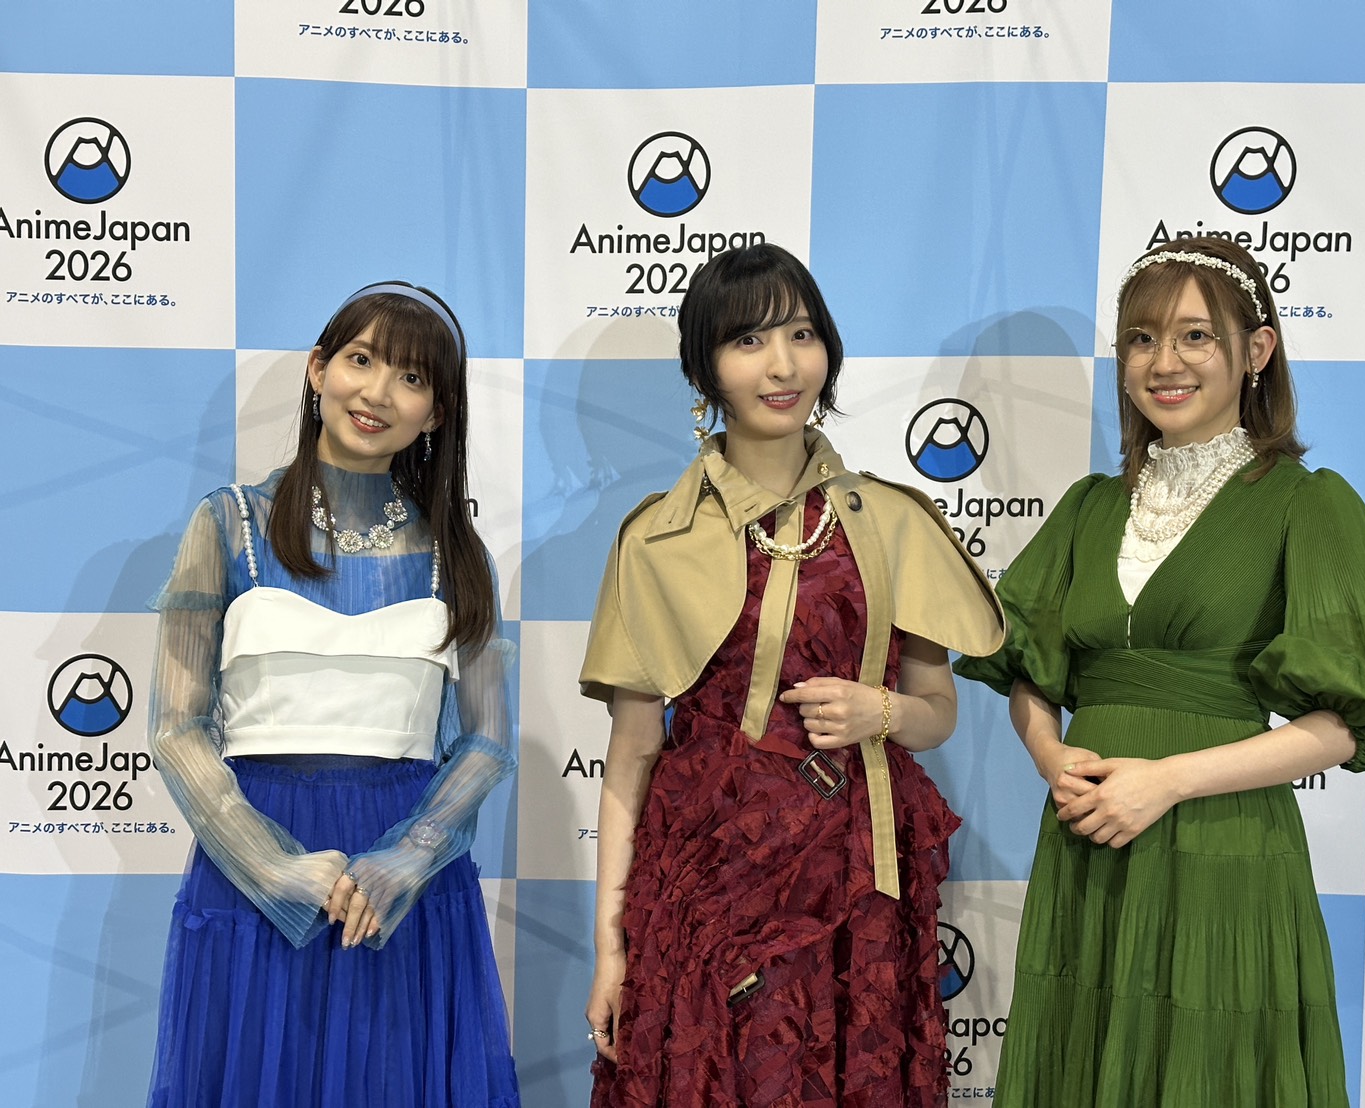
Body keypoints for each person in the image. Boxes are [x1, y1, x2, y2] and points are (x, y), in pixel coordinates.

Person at [954, 236, 1365, 1106]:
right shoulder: (1088, 506)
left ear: (1256, 349)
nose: (1162, 362)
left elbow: (1349, 725)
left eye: (1193, 337)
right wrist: (1052, 759)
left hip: (1222, 846)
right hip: (1090, 844)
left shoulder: (1307, 504)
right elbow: (1026, 670)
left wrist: (1167, 781)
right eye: (1140, 339)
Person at [579, 243, 1006, 1107]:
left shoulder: (892, 520)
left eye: (801, 334)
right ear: (704, 370)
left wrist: (880, 711)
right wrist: (610, 948)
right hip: (706, 876)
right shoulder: (656, 539)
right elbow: (630, 756)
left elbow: (936, 710)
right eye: (749, 341)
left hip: (854, 879)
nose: (782, 365)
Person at [145, 282, 521, 1107]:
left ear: (436, 413)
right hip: (253, 856)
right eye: (361, 360)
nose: (378, 393)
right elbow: (176, 725)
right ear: (319, 370)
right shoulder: (228, 524)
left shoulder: (456, 553)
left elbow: (489, 739)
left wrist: (408, 857)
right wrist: (271, 865)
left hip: (402, 877)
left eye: (411, 378)